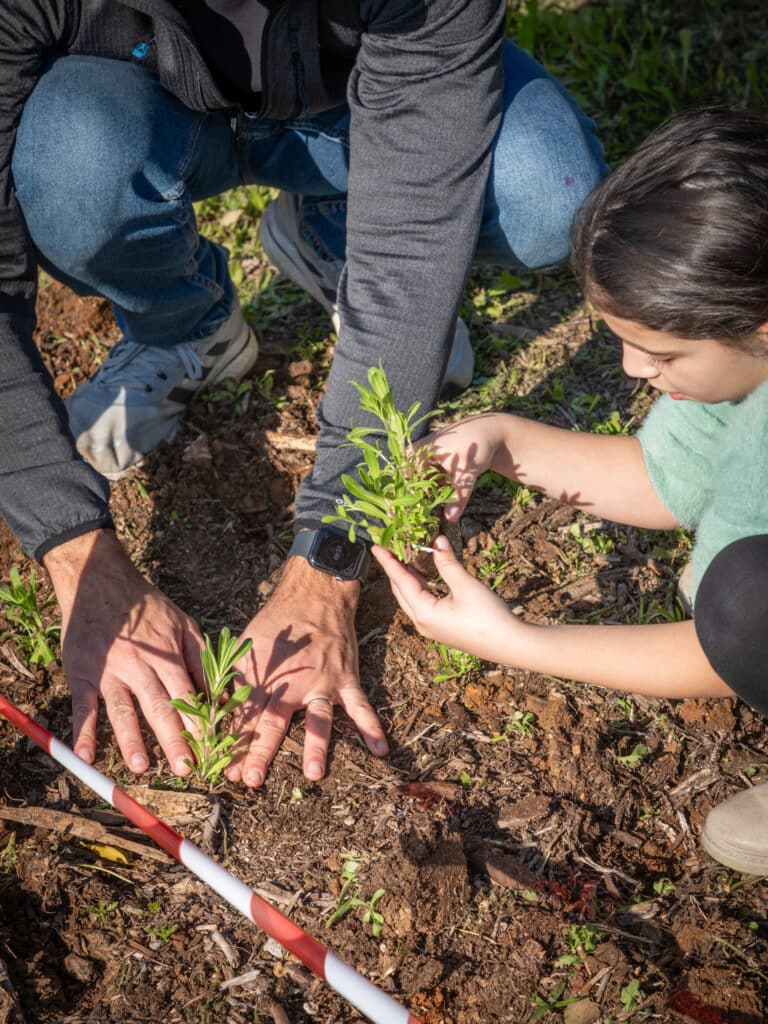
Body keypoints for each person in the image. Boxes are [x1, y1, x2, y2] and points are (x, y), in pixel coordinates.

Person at [0, 1, 604, 784]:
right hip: (131, 108)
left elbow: (418, 241)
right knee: (70, 165)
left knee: (544, 190)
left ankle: (333, 237)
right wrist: (73, 547)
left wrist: (329, 556)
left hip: (357, 109)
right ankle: (187, 325)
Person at [372, 106, 768, 876]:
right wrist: (499, 440)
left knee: (743, 598)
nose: (630, 371)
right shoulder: (737, 364)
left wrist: (520, 643)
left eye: (658, 352)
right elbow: (663, 480)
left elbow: (728, 649)